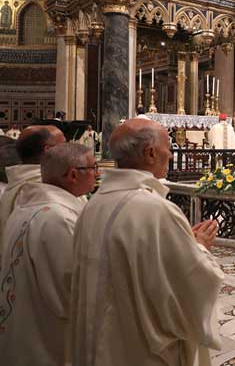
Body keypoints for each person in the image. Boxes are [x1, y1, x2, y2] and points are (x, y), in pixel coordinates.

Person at [70, 119, 223, 366]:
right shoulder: (156, 210)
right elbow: (191, 284)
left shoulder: (94, 204)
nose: (171, 155)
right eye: (168, 147)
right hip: (139, 351)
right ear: (150, 153)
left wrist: (186, 242)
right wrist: (200, 248)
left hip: (97, 341)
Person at [0, 143, 98, 365]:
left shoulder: (27, 207)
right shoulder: (59, 218)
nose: (97, 173)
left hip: (24, 330)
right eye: (93, 167)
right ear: (73, 175)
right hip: (47, 340)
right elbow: (71, 289)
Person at [0, 126, 66, 248]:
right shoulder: (50, 188)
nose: (69, 150)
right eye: (64, 145)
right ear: (48, 150)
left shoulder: (13, 184)